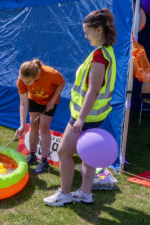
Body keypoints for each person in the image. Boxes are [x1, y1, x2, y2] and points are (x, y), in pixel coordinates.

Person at [44, 8, 117, 206]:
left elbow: (93, 91)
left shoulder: (99, 57)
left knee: (64, 153)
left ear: (99, 29)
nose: (85, 36)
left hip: (86, 115)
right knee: (88, 153)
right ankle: (85, 193)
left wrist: (80, 119)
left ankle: (65, 194)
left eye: (87, 32)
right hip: (95, 115)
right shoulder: (106, 52)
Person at [15, 59, 65, 174]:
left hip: (49, 101)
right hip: (34, 99)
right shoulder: (21, 80)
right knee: (33, 125)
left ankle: (44, 161)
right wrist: (22, 125)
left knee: (44, 128)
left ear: (36, 77)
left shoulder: (50, 73)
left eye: (28, 82)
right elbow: (23, 103)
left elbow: (61, 83)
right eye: (24, 81)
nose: (25, 84)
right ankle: (32, 155)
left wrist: (52, 101)